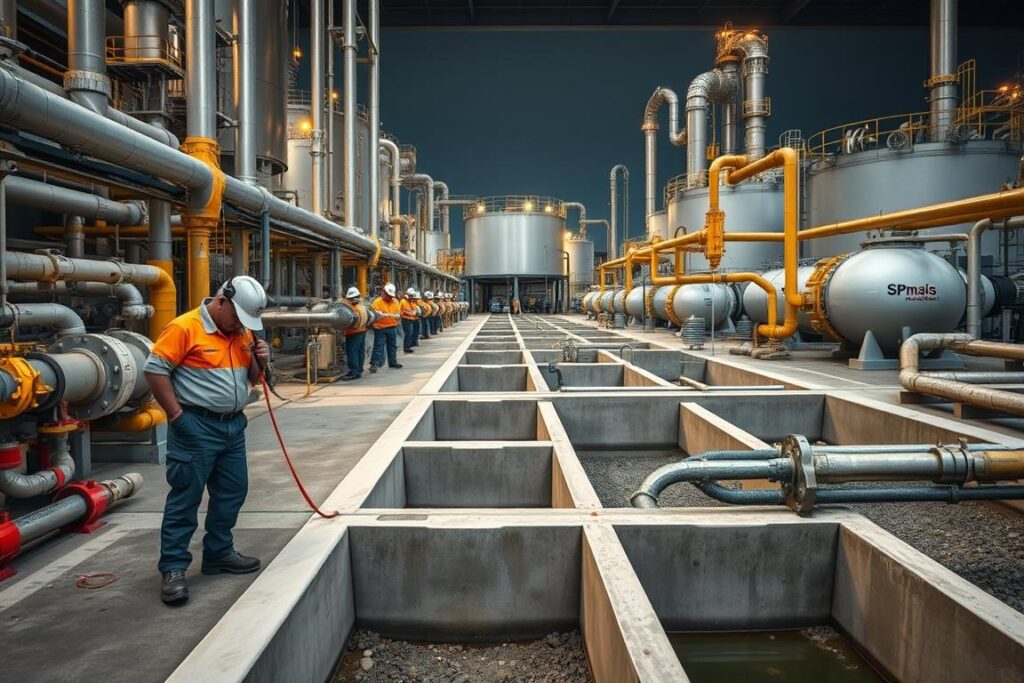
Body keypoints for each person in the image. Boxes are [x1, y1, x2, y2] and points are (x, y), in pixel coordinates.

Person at [145, 275, 270, 605]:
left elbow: (254, 379)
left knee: (232, 491)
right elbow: (155, 370)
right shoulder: (184, 327)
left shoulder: (242, 333)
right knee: (186, 496)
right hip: (195, 425)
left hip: (233, 427)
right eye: (237, 317)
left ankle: (218, 553)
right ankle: (173, 568)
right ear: (222, 301)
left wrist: (262, 360)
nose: (241, 326)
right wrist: (176, 416)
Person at [370, 282, 403, 373]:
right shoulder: (377, 302)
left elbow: (398, 314)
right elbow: (374, 315)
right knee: (379, 346)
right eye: (388, 295)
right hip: (380, 328)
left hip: (392, 327)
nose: (390, 298)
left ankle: (392, 362)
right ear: (383, 292)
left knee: (392, 346)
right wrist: (388, 315)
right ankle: (374, 364)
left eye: (391, 296)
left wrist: (387, 315)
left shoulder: (395, 301)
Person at [341, 286, 368, 381]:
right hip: (362, 331)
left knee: (352, 352)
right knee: (360, 351)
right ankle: (359, 369)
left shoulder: (352, 308)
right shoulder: (361, 306)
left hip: (353, 333)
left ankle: (354, 372)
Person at [400, 287, 420, 353]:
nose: (412, 298)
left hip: (411, 320)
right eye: (411, 296)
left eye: (412, 296)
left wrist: (412, 312)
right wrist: (411, 312)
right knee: (408, 334)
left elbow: (414, 311)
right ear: (407, 295)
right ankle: (407, 348)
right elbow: (404, 310)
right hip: (405, 320)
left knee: (410, 333)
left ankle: (408, 346)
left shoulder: (411, 302)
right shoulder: (403, 301)